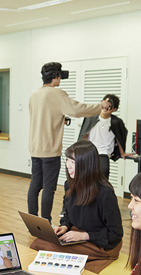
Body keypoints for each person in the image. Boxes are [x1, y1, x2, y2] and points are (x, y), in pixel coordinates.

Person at [30, 140, 123, 275]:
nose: (68, 166)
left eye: (73, 162)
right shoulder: (69, 185)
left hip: (102, 243)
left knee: (53, 249)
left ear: (87, 164)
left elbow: (116, 233)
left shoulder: (105, 193)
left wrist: (84, 236)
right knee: (37, 243)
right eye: (67, 161)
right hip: (79, 235)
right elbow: (68, 216)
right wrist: (64, 227)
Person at [28, 62, 103, 222]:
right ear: (55, 76)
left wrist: (59, 118)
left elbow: (41, 116)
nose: (61, 78)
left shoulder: (34, 94)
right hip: (50, 150)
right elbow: (77, 109)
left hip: (35, 149)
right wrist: (100, 106)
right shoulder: (58, 94)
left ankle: (32, 220)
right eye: (60, 75)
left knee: (35, 185)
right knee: (49, 187)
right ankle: (46, 221)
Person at [78, 94, 130, 179]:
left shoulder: (116, 122)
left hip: (104, 152)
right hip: (90, 151)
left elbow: (119, 138)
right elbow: (84, 135)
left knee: (103, 173)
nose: (105, 108)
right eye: (104, 104)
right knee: (85, 175)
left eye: (109, 106)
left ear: (114, 109)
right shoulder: (90, 118)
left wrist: (122, 153)